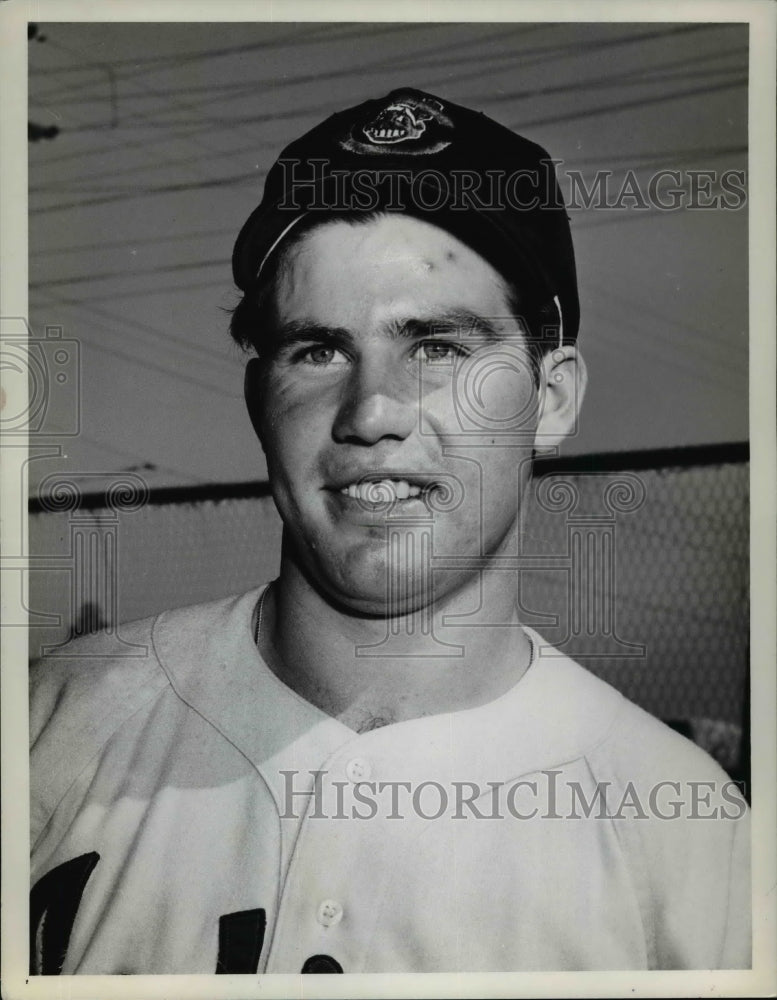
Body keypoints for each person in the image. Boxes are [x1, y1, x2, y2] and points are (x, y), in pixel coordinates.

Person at [30, 87, 750, 975]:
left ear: (551, 397)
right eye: (316, 349)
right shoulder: (45, 728)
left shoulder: (690, 840)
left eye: (438, 348)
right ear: (260, 398)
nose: (371, 412)